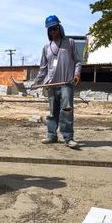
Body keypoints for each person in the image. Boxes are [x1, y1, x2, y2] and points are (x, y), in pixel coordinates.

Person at [32, 15, 82, 148]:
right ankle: (51, 135)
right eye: (50, 30)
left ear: (59, 28)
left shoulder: (70, 43)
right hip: (51, 85)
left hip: (66, 84)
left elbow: (77, 61)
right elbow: (43, 68)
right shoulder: (46, 47)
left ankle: (68, 138)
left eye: (55, 29)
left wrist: (77, 74)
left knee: (66, 111)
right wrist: (37, 82)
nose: (53, 32)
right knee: (52, 112)